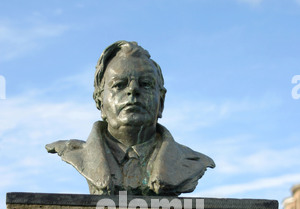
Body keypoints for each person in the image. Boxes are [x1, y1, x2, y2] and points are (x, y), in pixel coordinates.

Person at [46, 41, 215, 196]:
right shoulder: (73, 153)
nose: (133, 90)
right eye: (119, 84)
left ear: (161, 101)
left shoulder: (194, 162)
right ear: (100, 101)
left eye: (146, 84)